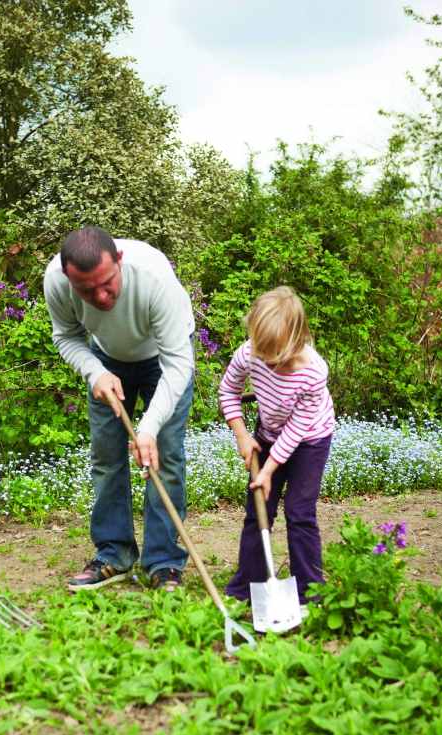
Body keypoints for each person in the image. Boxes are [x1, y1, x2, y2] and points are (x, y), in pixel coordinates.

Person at [43, 226, 195, 592]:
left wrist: (148, 428)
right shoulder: (56, 281)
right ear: (68, 278)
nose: (101, 296)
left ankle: (162, 563)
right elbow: (66, 337)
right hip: (106, 358)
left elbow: (178, 365)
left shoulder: (154, 278)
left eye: (107, 282)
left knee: (166, 456)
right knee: (107, 456)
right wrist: (95, 372)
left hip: (164, 359)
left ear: (120, 262)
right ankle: (115, 554)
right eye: (87, 290)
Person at [218, 285, 334, 605]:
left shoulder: (312, 372)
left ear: (296, 341)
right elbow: (228, 392)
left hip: (310, 440)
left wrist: (268, 470)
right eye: (262, 354)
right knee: (259, 510)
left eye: (276, 357)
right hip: (267, 435)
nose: (267, 363)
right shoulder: (249, 352)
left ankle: (310, 591)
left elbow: (297, 429)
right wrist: (243, 435)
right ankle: (248, 586)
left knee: (299, 512)